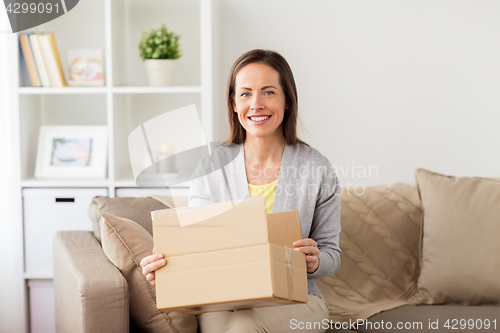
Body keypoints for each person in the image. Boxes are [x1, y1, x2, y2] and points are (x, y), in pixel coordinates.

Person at [140, 49, 341, 332]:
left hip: (298, 299)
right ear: (234, 103)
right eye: (245, 94)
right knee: (234, 324)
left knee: (244, 326)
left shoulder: (316, 168)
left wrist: (315, 261)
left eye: (269, 92)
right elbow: (198, 247)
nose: (256, 104)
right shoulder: (211, 168)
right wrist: (169, 267)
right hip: (224, 299)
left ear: (287, 100)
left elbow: (332, 254)